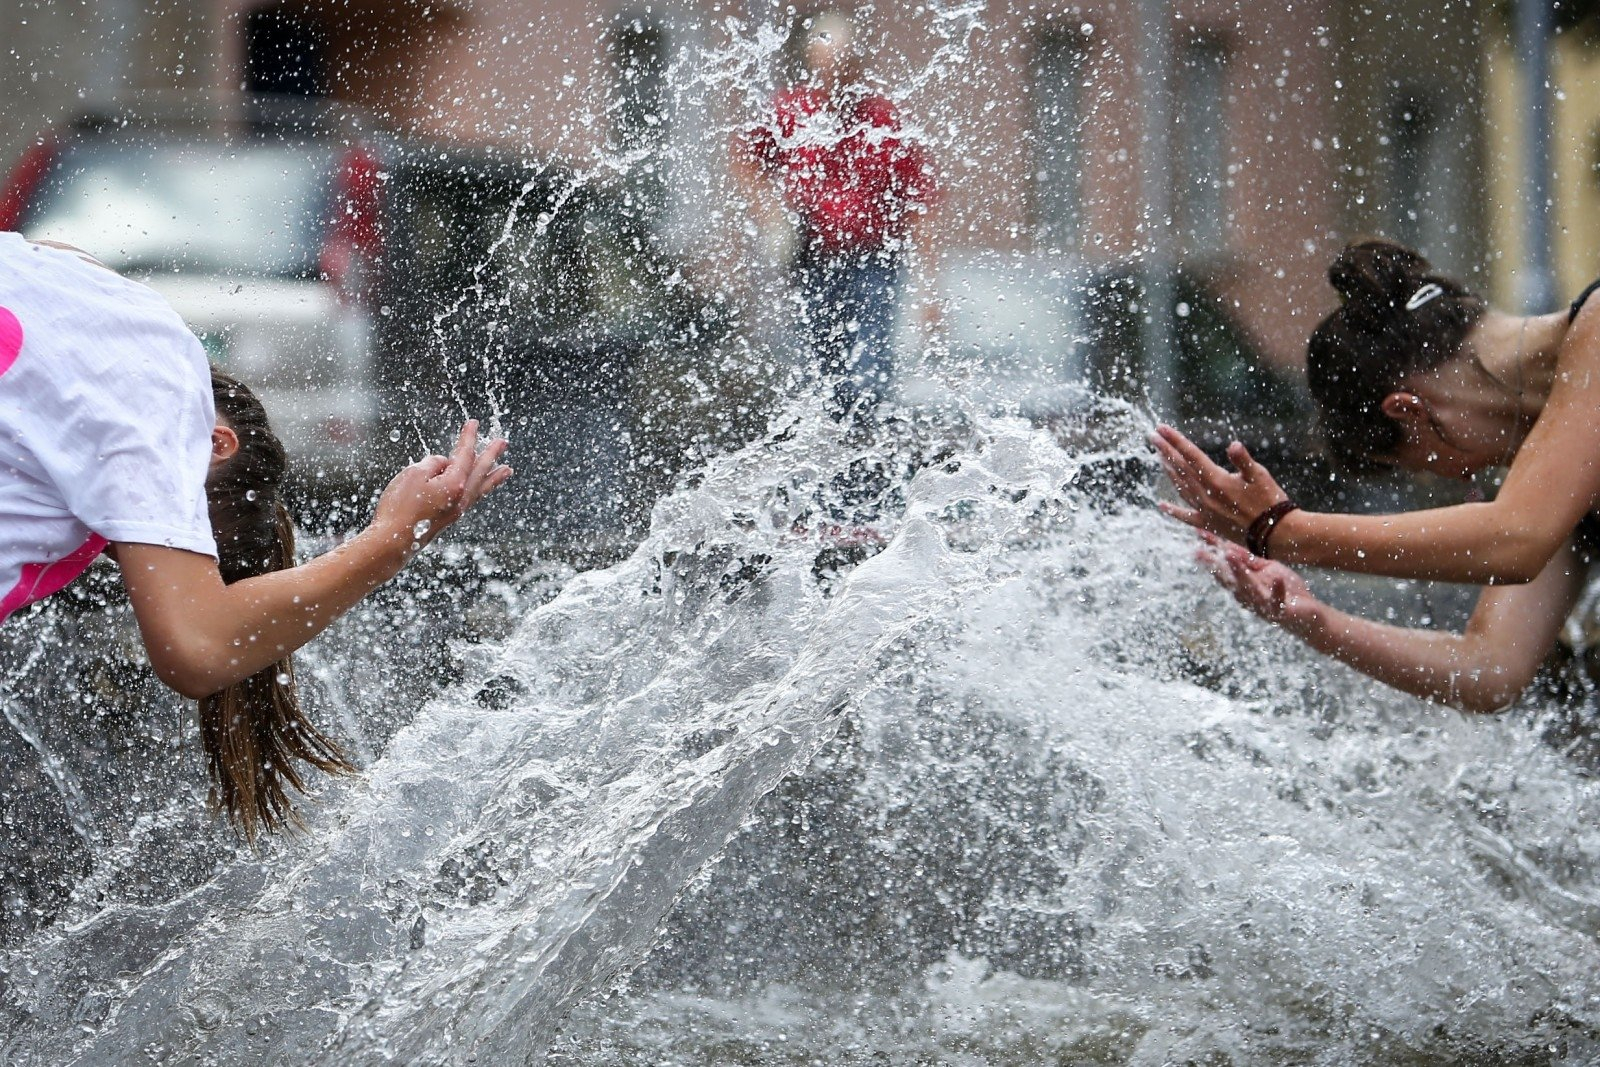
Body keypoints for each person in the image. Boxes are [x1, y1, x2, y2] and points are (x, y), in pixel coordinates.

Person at [1, 233, 512, 837]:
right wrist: (394, 536)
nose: (126, 540)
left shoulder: (84, 285)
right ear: (219, 444)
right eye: (170, 529)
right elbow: (197, 648)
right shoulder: (161, 396)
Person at [1151, 239, 1600, 714]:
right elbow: (1489, 671)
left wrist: (1287, 532)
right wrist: (1316, 622)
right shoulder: (1555, 484)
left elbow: (1516, 539)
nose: (1471, 475)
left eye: (1429, 463)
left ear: (1409, 411)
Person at [735, 11, 939, 428]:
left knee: (870, 372)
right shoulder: (792, 112)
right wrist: (772, 217)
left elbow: (919, 202)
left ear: (856, 64)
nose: (833, 73)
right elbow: (745, 161)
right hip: (813, 261)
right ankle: (833, 469)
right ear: (811, 61)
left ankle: (866, 466)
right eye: (824, 62)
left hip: (876, 260)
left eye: (842, 62)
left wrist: (930, 289)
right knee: (824, 375)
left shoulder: (882, 119)